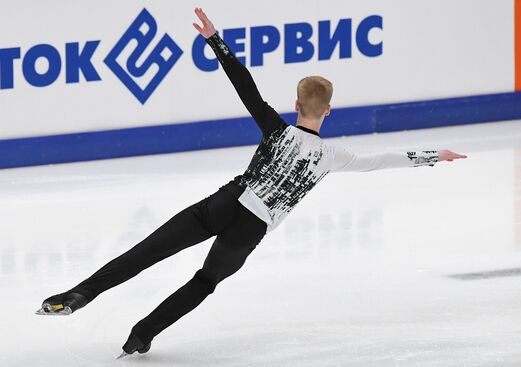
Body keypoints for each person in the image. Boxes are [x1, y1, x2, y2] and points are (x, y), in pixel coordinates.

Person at [36, 8, 467, 357]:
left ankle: (78, 295)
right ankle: (142, 335)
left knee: (146, 252)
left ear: (296, 104)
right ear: (329, 110)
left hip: (225, 203)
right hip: (249, 231)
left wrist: (214, 39)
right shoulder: (332, 157)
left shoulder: (276, 129)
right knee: (204, 282)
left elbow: (245, 85)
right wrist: (433, 155)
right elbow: (382, 160)